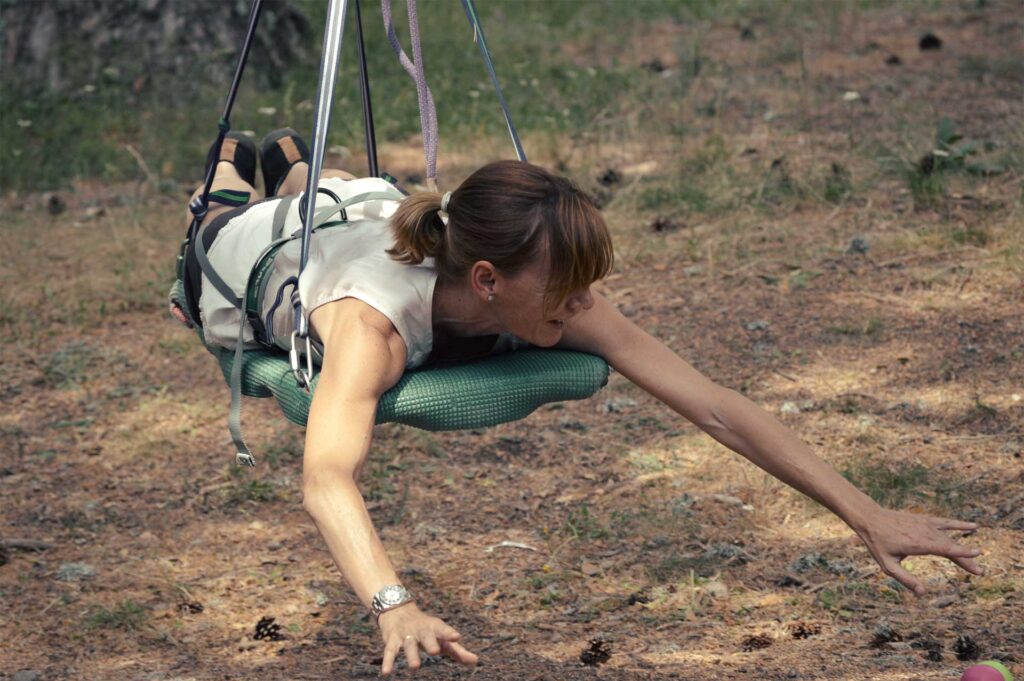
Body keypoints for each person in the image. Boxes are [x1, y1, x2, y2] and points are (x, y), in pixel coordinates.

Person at [181, 129, 985, 676]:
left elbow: (716, 405)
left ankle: (296, 162)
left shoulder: (544, 288)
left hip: (367, 211)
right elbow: (326, 476)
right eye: (567, 290)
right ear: (489, 281)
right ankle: (228, 170)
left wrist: (865, 511)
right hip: (265, 259)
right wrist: (395, 604)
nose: (585, 305)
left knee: (339, 196)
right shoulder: (371, 329)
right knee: (223, 221)